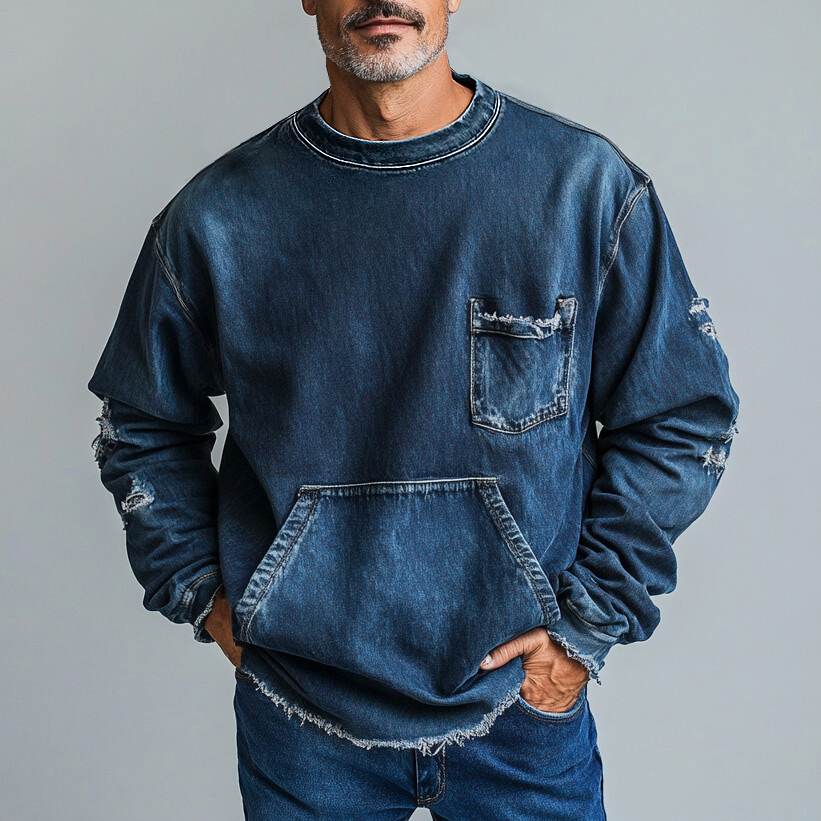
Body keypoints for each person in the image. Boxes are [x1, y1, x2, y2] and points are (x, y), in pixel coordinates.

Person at [88, 1, 741, 818]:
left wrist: (584, 627)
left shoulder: (580, 187)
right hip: (302, 712)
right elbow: (140, 423)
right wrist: (200, 592)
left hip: (521, 708)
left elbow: (683, 414)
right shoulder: (218, 217)